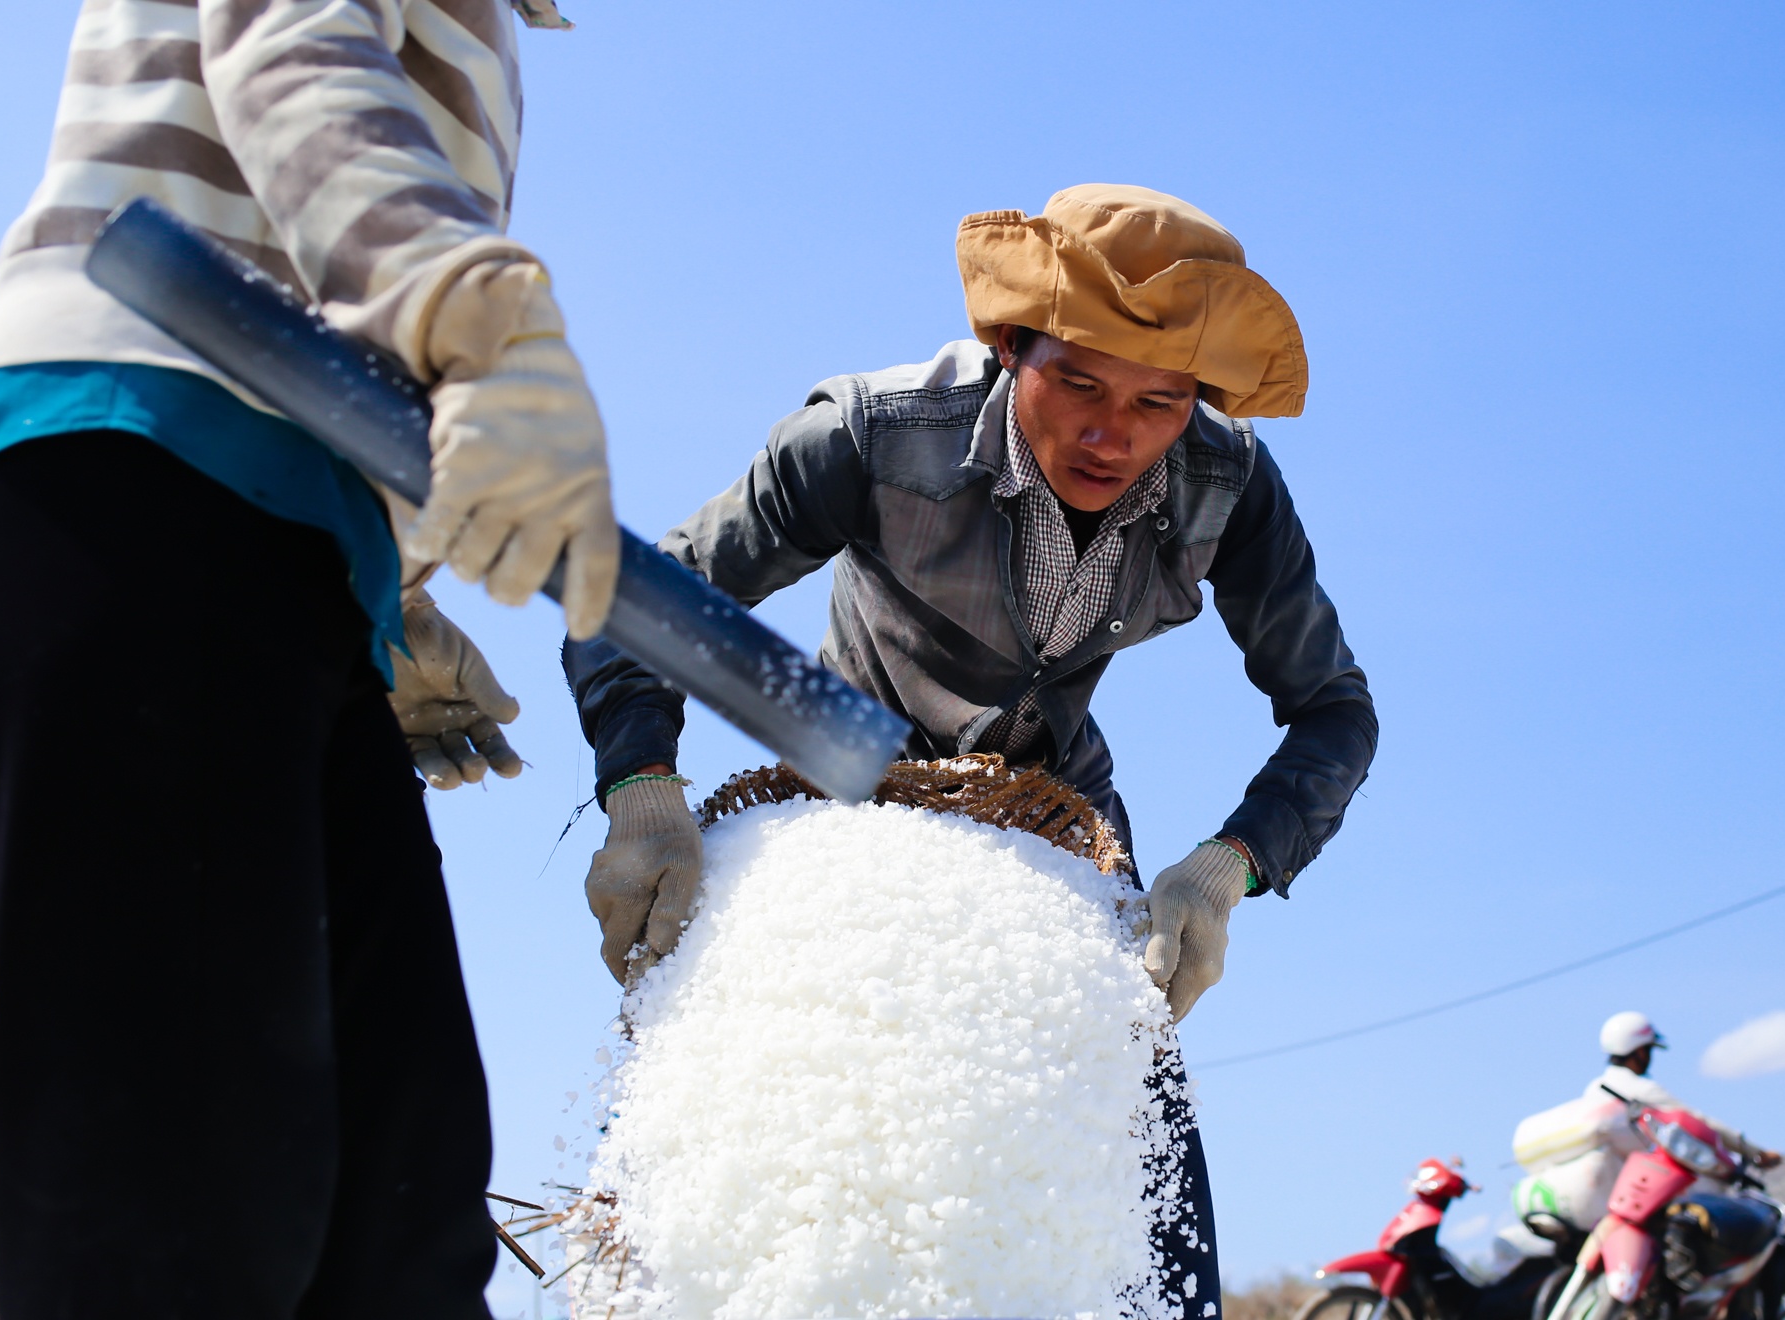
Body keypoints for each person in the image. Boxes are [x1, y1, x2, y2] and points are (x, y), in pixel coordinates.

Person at [564, 184, 1379, 1318]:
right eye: (1079, 382)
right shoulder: (869, 433)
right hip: (838, 796)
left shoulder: (1228, 488)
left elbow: (1337, 709)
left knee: (1146, 1177)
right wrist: (642, 791)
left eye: (1161, 402)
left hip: (1058, 815)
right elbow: (636, 598)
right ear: (1010, 347)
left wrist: (1225, 869)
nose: (1115, 433)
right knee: (716, 1131)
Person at [0, 1, 618, 1314]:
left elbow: (314, 319)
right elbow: (290, 55)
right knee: (182, 1219)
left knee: (399, 1229)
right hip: (120, 485)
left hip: (271, 562)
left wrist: (388, 591)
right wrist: (489, 323)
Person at [1591, 1012, 1782, 1169]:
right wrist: (1756, 1152)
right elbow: (1699, 1123)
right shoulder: (1643, 1089)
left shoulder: (1593, 1090)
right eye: (1649, 1050)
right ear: (1640, 1051)